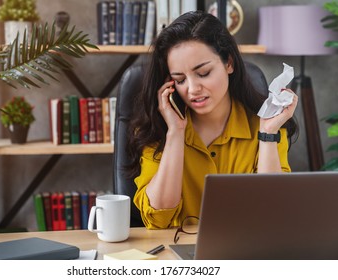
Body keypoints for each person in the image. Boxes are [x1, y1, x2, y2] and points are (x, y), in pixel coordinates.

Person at [125, 11, 298, 229]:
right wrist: (175, 133)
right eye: (180, 80)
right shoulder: (157, 130)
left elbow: (271, 213)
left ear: (229, 63)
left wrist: (268, 133)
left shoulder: (267, 127)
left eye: (204, 73)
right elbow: (159, 219)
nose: (193, 89)